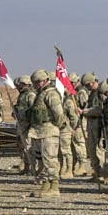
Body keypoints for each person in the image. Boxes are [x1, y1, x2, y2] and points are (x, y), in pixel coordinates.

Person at [28, 69, 65, 197]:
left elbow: (59, 113)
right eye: (35, 83)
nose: (36, 85)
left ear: (45, 81)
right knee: (41, 159)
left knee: (50, 159)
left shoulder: (51, 94)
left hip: (49, 130)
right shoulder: (40, 94)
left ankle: (54, 186)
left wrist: (56, 126)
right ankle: (45, 184)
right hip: (38, 131)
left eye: (38, 82)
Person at [79, 73, 104, 181]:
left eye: (89, 85)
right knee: (92, 150)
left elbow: (101, 109)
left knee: (99, 150)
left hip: (99, 124)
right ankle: (97, 172)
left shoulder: (101, 92)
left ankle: (103, 173)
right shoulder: (92, 94)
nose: (88, 87)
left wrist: (85, 111)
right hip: (91, 123)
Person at [12, 75, 36, 175]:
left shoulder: (30, 95)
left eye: (21, 84)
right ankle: (26, 167)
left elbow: (32, 110)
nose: (18, 86)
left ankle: (32, 168)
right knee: (22, 147)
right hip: (21, 125)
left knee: (29, 147)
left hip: (28, 125)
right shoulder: (22, 95)